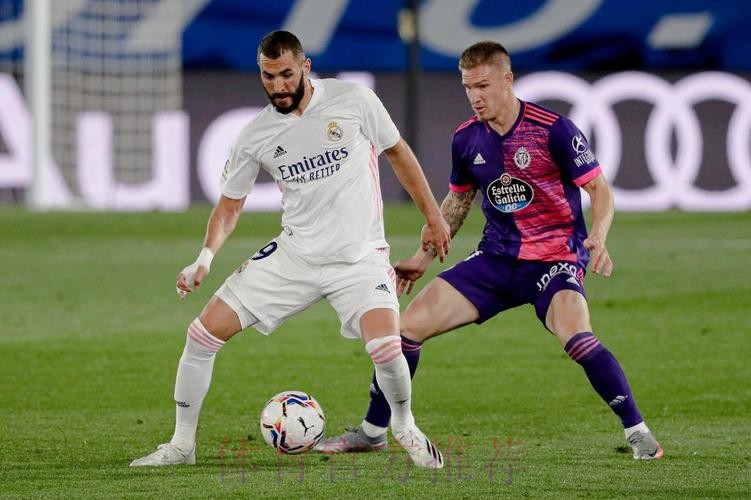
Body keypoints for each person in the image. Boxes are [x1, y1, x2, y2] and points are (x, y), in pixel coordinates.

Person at [316, 41, 663, 460]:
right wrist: (423, 257)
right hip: (496, 260)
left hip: (554, 261)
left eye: (482, 85)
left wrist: (599, 237)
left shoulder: (554, 129)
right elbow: (457, 203)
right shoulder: (467, 139)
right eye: (467, 87)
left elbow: (600, 190)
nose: (474, 96)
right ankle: (373, 432)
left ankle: (639, 433)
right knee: (405, 330)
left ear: (507, 79)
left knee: (577, 337)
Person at [130, 30, 450, 469]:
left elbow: (398, 153)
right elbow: (229, 206)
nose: (278, 85)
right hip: (295, 256)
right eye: (268, 76)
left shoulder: (353, 100)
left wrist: (432, 216)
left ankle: (405, 427)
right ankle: (182, 445)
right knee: (202, 335)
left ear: (305, 67)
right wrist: (204, 258)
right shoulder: (255, 135)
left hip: (359, 257)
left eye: (285, 74)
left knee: (386, 347)